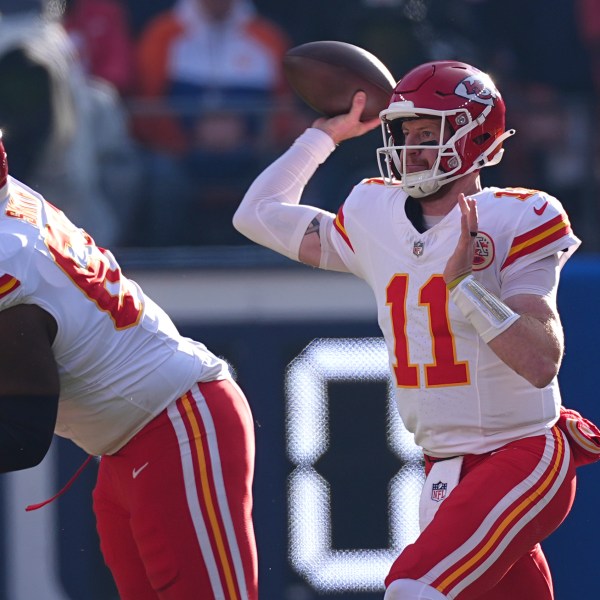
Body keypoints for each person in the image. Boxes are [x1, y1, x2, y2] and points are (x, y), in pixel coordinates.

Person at [233, 60, 600, 599]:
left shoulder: (517, 217)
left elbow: (540, 360)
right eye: (406, 132)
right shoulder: (373, 212)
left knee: (412, 589)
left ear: (476, 137)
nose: (413, 148)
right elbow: (257, 213)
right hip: (442, 471)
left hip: (521, 453)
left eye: (430, 133)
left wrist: (466, 289)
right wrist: (323, 134)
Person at [0, 131, 258, 600]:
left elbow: (21, 435)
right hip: (124, 450)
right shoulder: (10, 206)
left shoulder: (7, 261)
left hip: (177, 428)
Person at [130, 0, 297, 246]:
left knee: (287, 172)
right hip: (181, 156)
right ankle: (168, 260)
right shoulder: (162, 35)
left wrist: (255, 139)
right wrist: (187, 141)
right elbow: (146, 107)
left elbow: (285, 108)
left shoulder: (267, 37)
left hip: (251, 154)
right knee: (159, 176)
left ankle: (278, 261)